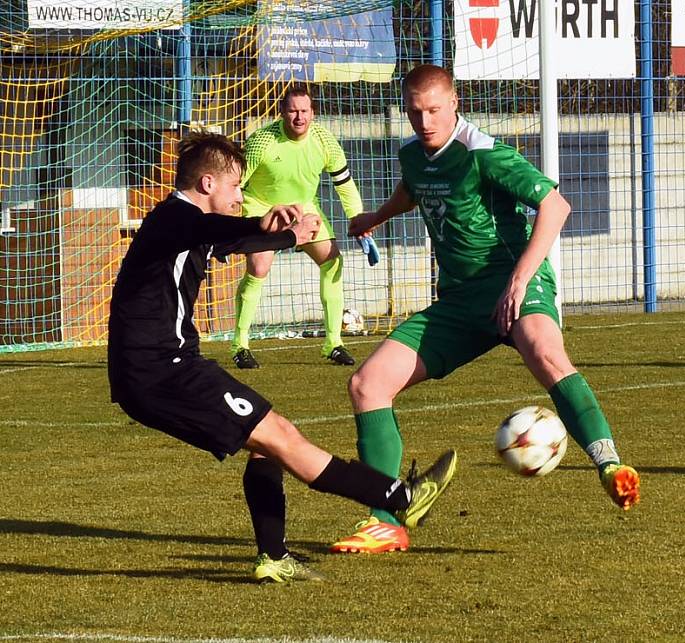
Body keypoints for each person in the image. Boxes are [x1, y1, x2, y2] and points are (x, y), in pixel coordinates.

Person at [107, 130, 457, 582]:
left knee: (266, 446)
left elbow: (229, 239)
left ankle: (273, 557)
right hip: (163, 372)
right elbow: (221, 230)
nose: (241, 196)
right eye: (236, 187)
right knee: (285, 438)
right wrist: (285, 234)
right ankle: (403, 498)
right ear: (208, 184)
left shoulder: (184, 223)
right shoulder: (177, 218)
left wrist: (271, 228)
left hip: (155, 372)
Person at [331, 65, 640, 555]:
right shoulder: (413, 153)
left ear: (455, 103)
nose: (425, 121)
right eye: (415, 112)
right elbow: (415, 190)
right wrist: (376, 216)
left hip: (515, 284)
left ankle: (609, 464)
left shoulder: (484, 153)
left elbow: (556, 206)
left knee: (544, 351)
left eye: (434, 110)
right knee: (367, 384)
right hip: (460, 300)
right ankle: (385, 518)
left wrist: (519, 279)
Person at [230, 84, 367, 369]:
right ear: (282, 113)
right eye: (293, 111)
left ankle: (334, 343)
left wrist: (359, 218)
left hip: (304, 209)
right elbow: (236, 184)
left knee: (332, 262)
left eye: (304, 111)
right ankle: (240, 345)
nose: (299, 117)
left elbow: (344, 184)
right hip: (263, 209)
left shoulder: (325, 141)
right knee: (259, 268)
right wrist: (230, 223)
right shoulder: (261, 142)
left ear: (313, 113)